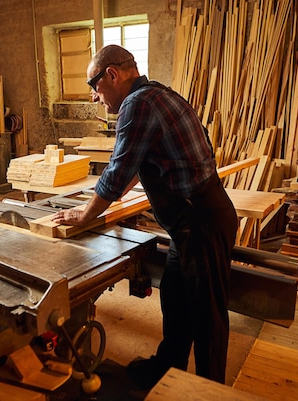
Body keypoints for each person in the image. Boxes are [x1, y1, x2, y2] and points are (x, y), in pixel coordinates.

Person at [51, 45, 239, 389]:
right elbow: (142, 159)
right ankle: (169, 371)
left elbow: (119, 168)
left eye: (95, 85)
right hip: (189, 223)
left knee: (207, 317)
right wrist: (115, 192)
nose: (95, 97)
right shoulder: (157, 95)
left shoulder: (137, 105)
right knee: (175, 297)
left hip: (202, 223)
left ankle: (212, 391)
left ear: (113, 75)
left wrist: (86, 213)